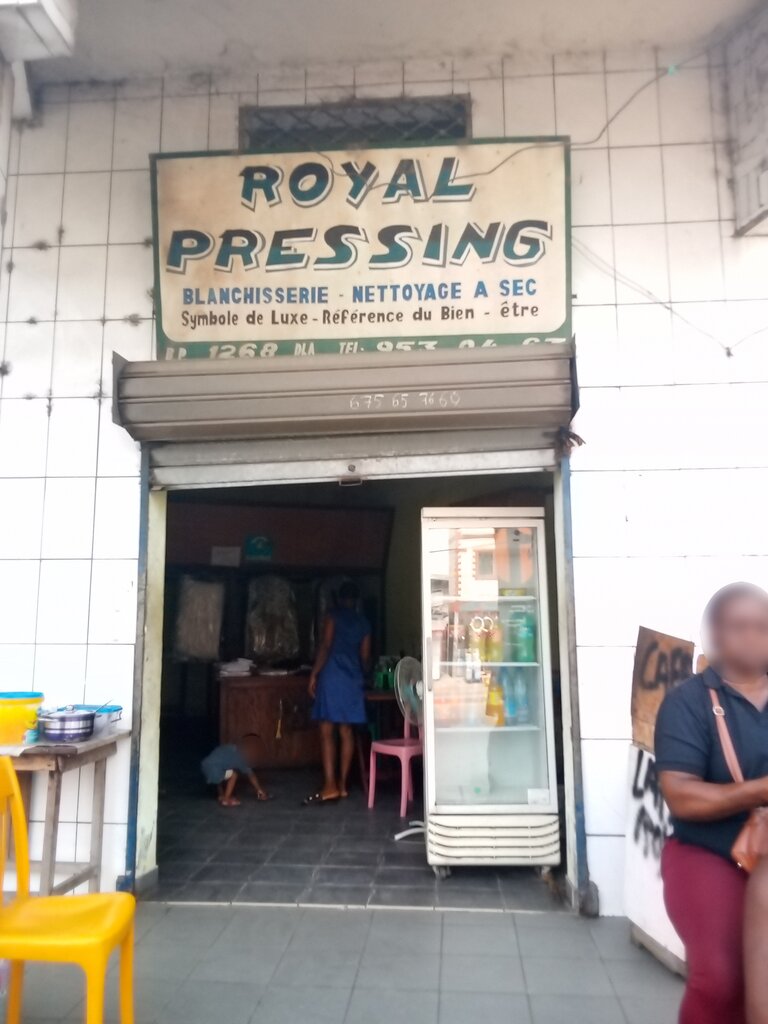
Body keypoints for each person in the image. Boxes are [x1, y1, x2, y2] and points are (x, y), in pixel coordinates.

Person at [655, 582, 768, 1024]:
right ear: (714, 636)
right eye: (738, 627)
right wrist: (761, 790)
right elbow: (682, 795)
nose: (752, 637)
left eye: (762, 627)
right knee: (721, 980)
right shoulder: (689, 702)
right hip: (707, 854)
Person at [304, 581, 371, 805]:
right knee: (346, 730)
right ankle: (342, 785)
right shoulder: (363, 622)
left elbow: (325, 645)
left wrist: (314, 673)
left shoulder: (333, 616)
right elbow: (364, 656)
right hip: (353, 677)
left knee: (326, 730)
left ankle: (329, 783)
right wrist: (361, 677)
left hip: (333, 675)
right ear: (356, 601)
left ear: (339, 598)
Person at [201, 733, 268, 806]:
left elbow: (218, 762)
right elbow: (251, 775)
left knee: (222, 771)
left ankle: (221, 796)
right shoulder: (241, 758)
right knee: (234, 774)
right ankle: (226, 799)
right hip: (213, 769)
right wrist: (259, 790)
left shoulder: (232, 748)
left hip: (205, 766)